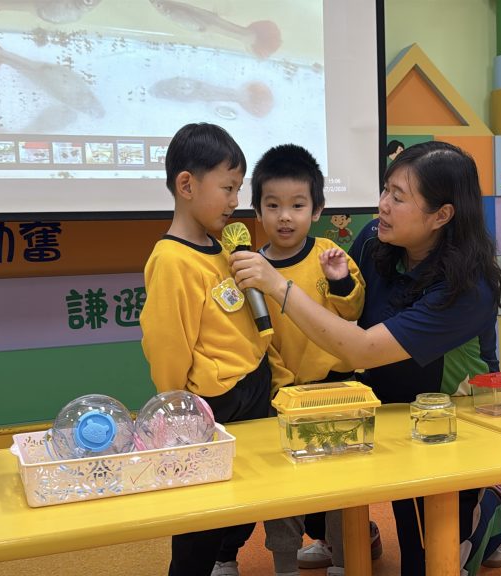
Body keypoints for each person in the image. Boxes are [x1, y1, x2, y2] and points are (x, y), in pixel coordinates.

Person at [230, 140, 501, 576]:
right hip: (387, 414)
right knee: (312, 480)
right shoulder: (375, 240)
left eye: (398, 197)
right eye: (385, 190)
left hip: (447, 430)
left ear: (441, 215)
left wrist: (278, 285)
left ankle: (489, 507)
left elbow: (361, 348)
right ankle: (357, 533)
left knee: (430, 566)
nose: (382, 205)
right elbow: (345, 313)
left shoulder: (467, 288)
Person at [212, 144, 367, 576]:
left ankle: (343, 557)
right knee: (282, 488)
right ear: (257, 211)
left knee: (342, 486)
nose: (285, 216)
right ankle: (284, 565)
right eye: (273, 205)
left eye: (297, 205)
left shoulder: (330, 256)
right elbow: (248, 334)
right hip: (282, 396)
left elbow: (354, 313)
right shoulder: (249, 266)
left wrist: (340, 282)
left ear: (316, 210)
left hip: (336, 393)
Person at [139, 123, 274, 576]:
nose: (236, 201)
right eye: (228, 188)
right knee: (201, 512)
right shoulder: (171, 260)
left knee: (249, 493)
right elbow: (167, 344)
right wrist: (177, 407)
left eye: (238, 188)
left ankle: (225, 556)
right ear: (186, 185)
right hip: (212, 402)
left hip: (253, 384)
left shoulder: (220, 247)